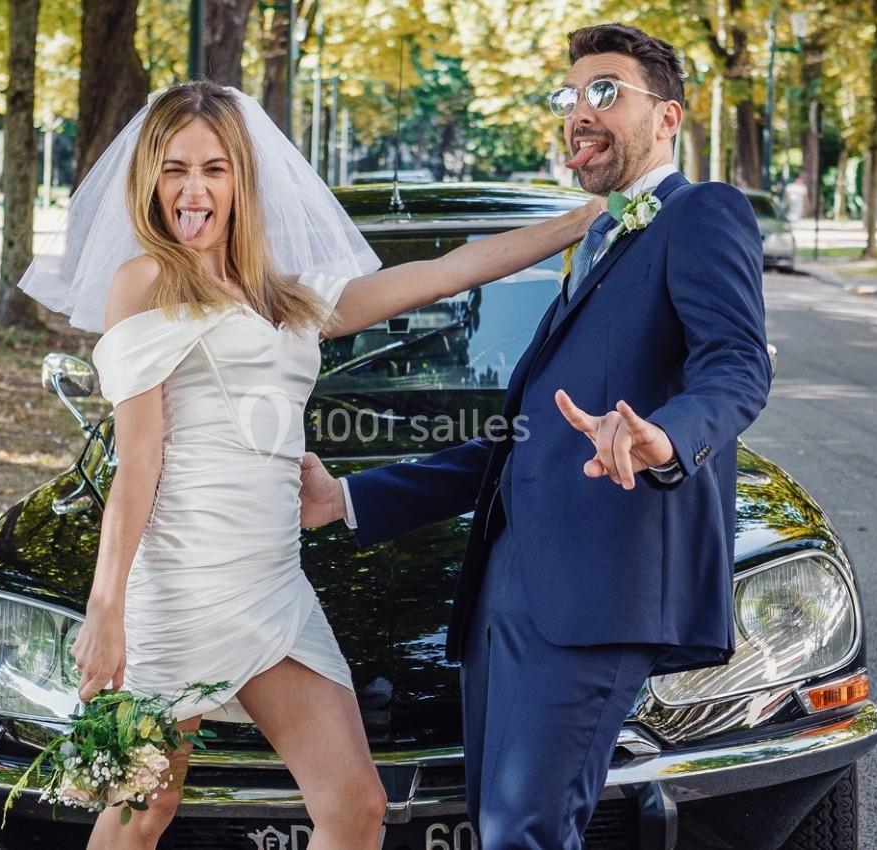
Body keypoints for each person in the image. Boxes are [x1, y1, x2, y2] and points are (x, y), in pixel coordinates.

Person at [17, 80, 601, 850]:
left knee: (355, 807)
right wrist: (106, 611)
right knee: (139, 809)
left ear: (243, 180)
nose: (193, 190)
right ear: (149, 179)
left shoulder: (285, 298)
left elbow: (455, 269)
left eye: (215, 169)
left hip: (273, 585)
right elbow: (138, 462)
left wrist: (589, 217)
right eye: (175, 169)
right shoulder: (146, 283)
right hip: (182, 585)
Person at [298, 24, 773, 850]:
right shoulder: (594, 241)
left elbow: (737, 367)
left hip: (597, 589)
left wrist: (663, 435)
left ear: (667, 117)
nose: (579, 112)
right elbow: (518, 444)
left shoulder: (701, 213)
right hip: (506, 594)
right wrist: (347, 497)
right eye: (569, 96)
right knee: (499, 827)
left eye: (604, 91)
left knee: (526, 832)